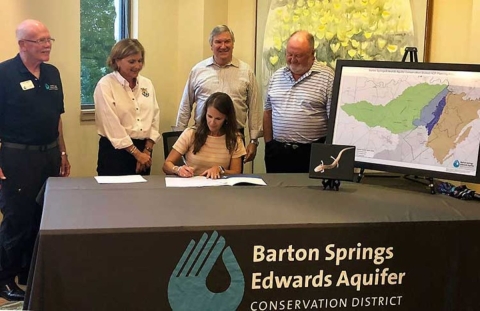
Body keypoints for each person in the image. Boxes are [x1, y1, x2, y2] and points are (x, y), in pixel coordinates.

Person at [0, 19, 71, 301]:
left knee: (42, 216)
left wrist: (63, 153)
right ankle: (5, 277)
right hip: (17, 157)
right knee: (17, 219)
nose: (46, 45)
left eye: (48, 40)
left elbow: (57, 118)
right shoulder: (5, 73)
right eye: (39, 41)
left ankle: (28, 271)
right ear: (22, 45)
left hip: (49, 155)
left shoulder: (52, 73)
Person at [175, 25, 262, 163]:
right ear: (211, 45)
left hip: (234, 137)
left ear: (233, 44)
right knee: (199, 176)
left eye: (227, 41)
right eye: (218, 42)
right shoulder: (198, 70)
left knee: (232, 180)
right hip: (202, 134)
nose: (223, 46)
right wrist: (178, 136)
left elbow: (255, 107)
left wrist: (253, 140)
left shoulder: (246, 72)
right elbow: (186, 104)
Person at [263, 30, 334, 173]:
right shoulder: (277, 76)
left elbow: (334, 120)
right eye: (289, 54)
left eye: (298, 55)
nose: (292, 59)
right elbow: (268, 111)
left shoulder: (327, 77)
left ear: (312, 54)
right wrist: (269, 144)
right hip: (278, 153)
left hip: (311, 153)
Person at [94, 39, 160, 176]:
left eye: (140, 61)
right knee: (114, 196)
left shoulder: (147, 84)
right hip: (116, 153)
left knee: (141, 195)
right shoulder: (106, 85)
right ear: (117, 61)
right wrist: (137, 154)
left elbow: (154, 117)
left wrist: (146, 151)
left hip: (144, 152)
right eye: (132, 61)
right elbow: (111, 125)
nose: (137, 66)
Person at [164, 92, 246, 179]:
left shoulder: (234, 139)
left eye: (218, 119)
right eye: (209, 116)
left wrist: (220, 170)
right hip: (192, 185)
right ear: (205, 113)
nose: (212, 122)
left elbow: (236, 172)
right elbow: (166, 165)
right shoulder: (191, 134)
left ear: (226, 118)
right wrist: (178, 169)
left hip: (220, 188)